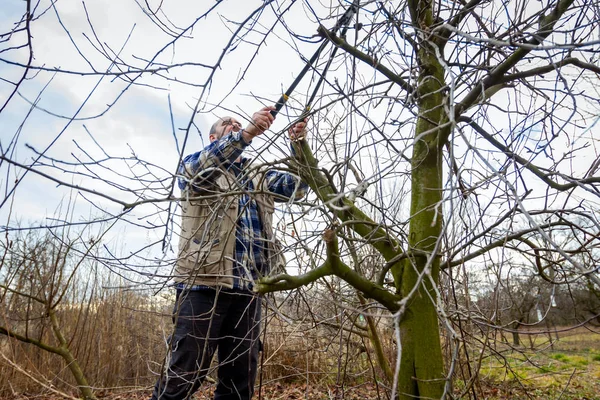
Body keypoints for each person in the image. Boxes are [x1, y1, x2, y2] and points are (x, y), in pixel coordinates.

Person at [152, 106, 308, 400]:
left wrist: (299, 146)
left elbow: (298, 188)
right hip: (203, 285)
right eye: (228, 124)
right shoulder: (197, 168)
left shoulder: (258, 175)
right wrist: (247, 132)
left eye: (239, 123)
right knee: (185, 375)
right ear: (213, 137)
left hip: (249, 290)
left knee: (239, 382)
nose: (235, 126)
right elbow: (194, 173)